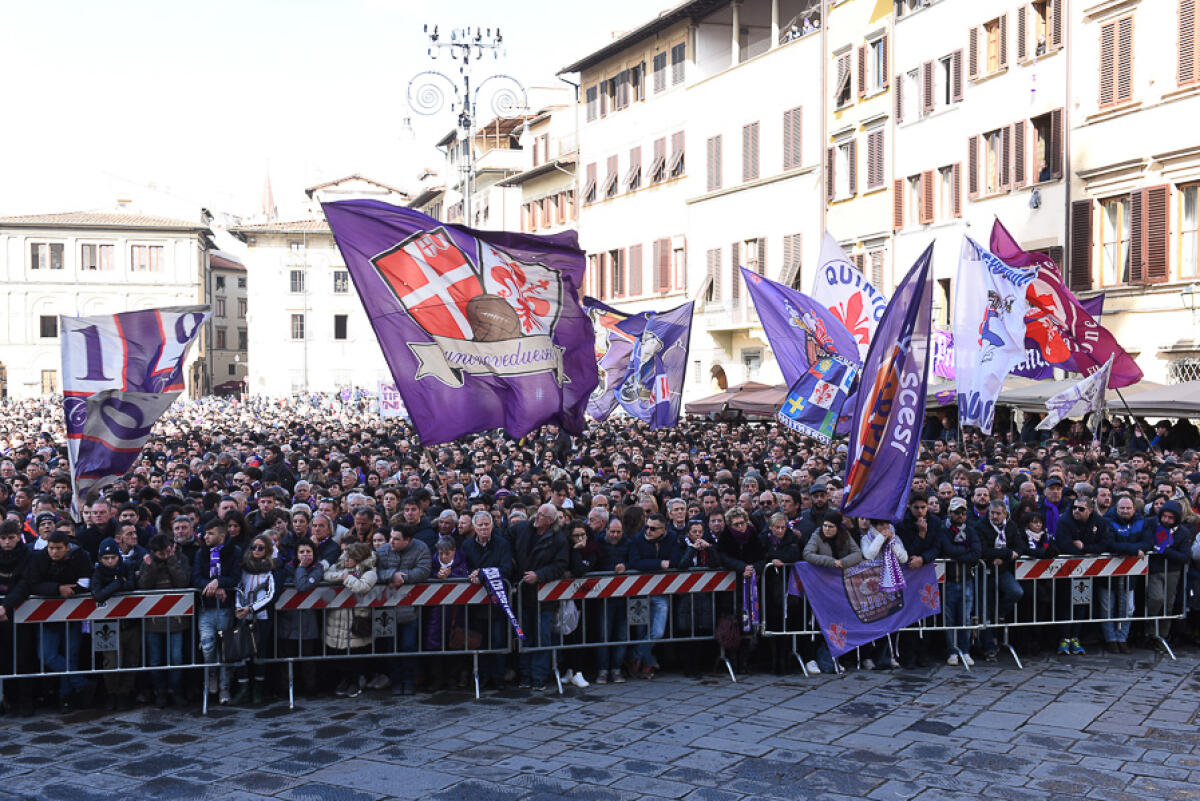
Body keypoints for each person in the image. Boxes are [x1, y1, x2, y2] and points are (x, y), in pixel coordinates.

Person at [26, 530, 93, 710]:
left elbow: (86, 580)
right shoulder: (40, 558)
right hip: (47, 617)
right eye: (51, 548)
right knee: (47, 655)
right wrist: (58, 589)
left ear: (67, 548)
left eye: (58, 548)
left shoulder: (80, 557)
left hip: (74, 614)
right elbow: (33, 583)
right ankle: (82, 683)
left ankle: (66, 697)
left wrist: (73, 591)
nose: (54, 552)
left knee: (71, 655)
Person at [511, 503, 568, 691]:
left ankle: (538, 676)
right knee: (524, 636)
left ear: (550, 521)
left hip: (544, 597)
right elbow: (506, 542)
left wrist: (540, 575)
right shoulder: (522, 529)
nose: (537, 517)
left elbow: (560, 565)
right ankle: (525, 675)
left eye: (542, 515)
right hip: (523, 595)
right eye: (537, 513)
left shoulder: (558, 539)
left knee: (543, 637)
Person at [373, 524, 430, 695]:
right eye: (391, 537)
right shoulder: (382, 551)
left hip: (409, 608)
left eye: (396, 539)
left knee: (409, 645)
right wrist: (391, 575)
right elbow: (374, 570)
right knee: (391, 646)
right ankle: (396, 680)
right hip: (386, 608)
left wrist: (403, 576)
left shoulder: (421, 549)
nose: (392, 541)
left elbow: (424, 570)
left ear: (407, 540)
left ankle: (409, 680)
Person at [191, 522, 242, 705]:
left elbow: (235, 577)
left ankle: (224, 687)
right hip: (207, 608)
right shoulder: (201, 553)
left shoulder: (234, 552)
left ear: (221, 536)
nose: (205, 536)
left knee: (225, 650)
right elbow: (196, 578)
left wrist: (219, 582)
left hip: (226, 609)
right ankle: (211, 674)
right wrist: (211, 585)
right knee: (208, 646)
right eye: (205, 533)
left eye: (210, 533)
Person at [138, 533, 191, 708]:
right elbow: (143, 585)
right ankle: (160, 692)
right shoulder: (147, 562)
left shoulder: (180, 559)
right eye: (161, 553)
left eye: (167, 551)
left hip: (176, 618)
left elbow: (183, 582)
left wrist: (171, 562)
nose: (165, 554)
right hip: (153, 620)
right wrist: (152, 566)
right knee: (155, 659)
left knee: (176, 657)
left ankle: (176, 691)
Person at [323, 541, 378, 697]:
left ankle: (354, 682)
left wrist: (347, 578)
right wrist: (343, 575)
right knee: (339, 654)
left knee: (354, 654)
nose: (346, 560)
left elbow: (362, 587)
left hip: (356, 618)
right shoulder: (341, 567)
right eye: (346, 556)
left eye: (350, 557)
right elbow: (327, 574)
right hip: (338, 617)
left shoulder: (369, 570)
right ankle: (344, 680)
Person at [230, 533, 278, 704]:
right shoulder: (244, 568)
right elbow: (238, 588)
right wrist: (238, 607)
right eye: (254, 547)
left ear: (267, 550)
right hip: (242, 615)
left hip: (261, 617)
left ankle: (258, 689)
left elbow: (270, 594)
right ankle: (243, 689)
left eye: (260, 547)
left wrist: (251, 608)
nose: (256, 550)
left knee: (259, 652)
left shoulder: (270, 571)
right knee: (241, 652)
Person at [92, 537, 138, 709]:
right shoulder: (98, 572)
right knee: (110, 661)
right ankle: (112, 692)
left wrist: (113, 587)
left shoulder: (127, 567)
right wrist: (118, 583)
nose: (110, 562)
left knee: (131, 659)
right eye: (106, 558)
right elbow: (98, 594)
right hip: (108, 625)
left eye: (113, 557)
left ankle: (124, 693)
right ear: (100, 559)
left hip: (130, 622)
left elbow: (132, 586)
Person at [278, 538, 323, 697]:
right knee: (287, 657)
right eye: (301, 552)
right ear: (296, 554)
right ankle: (286, 688)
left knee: (307, 657)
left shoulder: (318, 568)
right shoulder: (287, 568)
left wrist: (302, 569)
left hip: (307, 621)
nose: (305, 555)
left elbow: (302, 586)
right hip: (288, 620)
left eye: (308, 552)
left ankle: (310, 688)